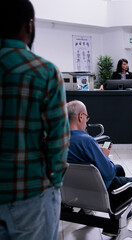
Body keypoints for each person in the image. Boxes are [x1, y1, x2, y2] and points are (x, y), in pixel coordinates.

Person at [0, 1, 70, 239]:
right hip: (29, 193)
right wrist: (54, 181)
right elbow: (58, 139)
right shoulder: (45, 72)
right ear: (29, 25)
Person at [66, 101, 132, 227]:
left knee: (118, 169)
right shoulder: (87, 141)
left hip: (75, 191)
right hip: (97, 194)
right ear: (80, 116)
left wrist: (96, 150)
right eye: (86, 117)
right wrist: (104, 155)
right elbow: (108, 172)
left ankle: (117, 212)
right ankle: (116, 217)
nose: (86, 121)